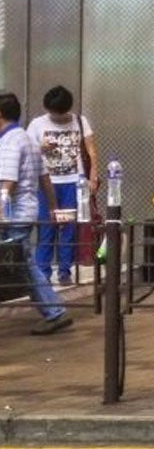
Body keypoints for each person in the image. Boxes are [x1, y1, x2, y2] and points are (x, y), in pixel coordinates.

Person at [0, 92, 67, 335]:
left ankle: (53, 311)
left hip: (14, 215)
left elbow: (8, 182)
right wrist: (52, 206)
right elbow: (44, 177)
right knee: (22, 263)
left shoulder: (9, 142)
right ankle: (53, 311)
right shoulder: (27, 139)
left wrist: (1, 212)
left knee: (24, 265)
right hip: (27, 210)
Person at [29, 85, 97, 290]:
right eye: (53, 112)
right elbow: (27, 149)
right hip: (46, 182)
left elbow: (91, 151)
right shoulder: (37, 124)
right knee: (46, 227)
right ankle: (43, 273)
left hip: (73, 181)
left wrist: (93, 177)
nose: (57, 117)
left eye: (60, 112)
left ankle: (65, 271)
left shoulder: (80, 121)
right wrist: (42, 147)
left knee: (69, 228)